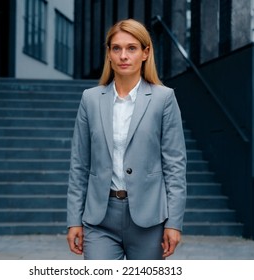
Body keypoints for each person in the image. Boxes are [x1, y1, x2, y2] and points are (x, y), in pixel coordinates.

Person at [66, 18, 187, 260]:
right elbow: (79, 165)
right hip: (100, 218)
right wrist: (73, 220)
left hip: (149, 219)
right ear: (109, 54)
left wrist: (174, 223)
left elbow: (175, 166)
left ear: (145, 53)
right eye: (116, 48)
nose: (123, 55)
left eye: (131, 48)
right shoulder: (90, 99)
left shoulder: (164, 99)